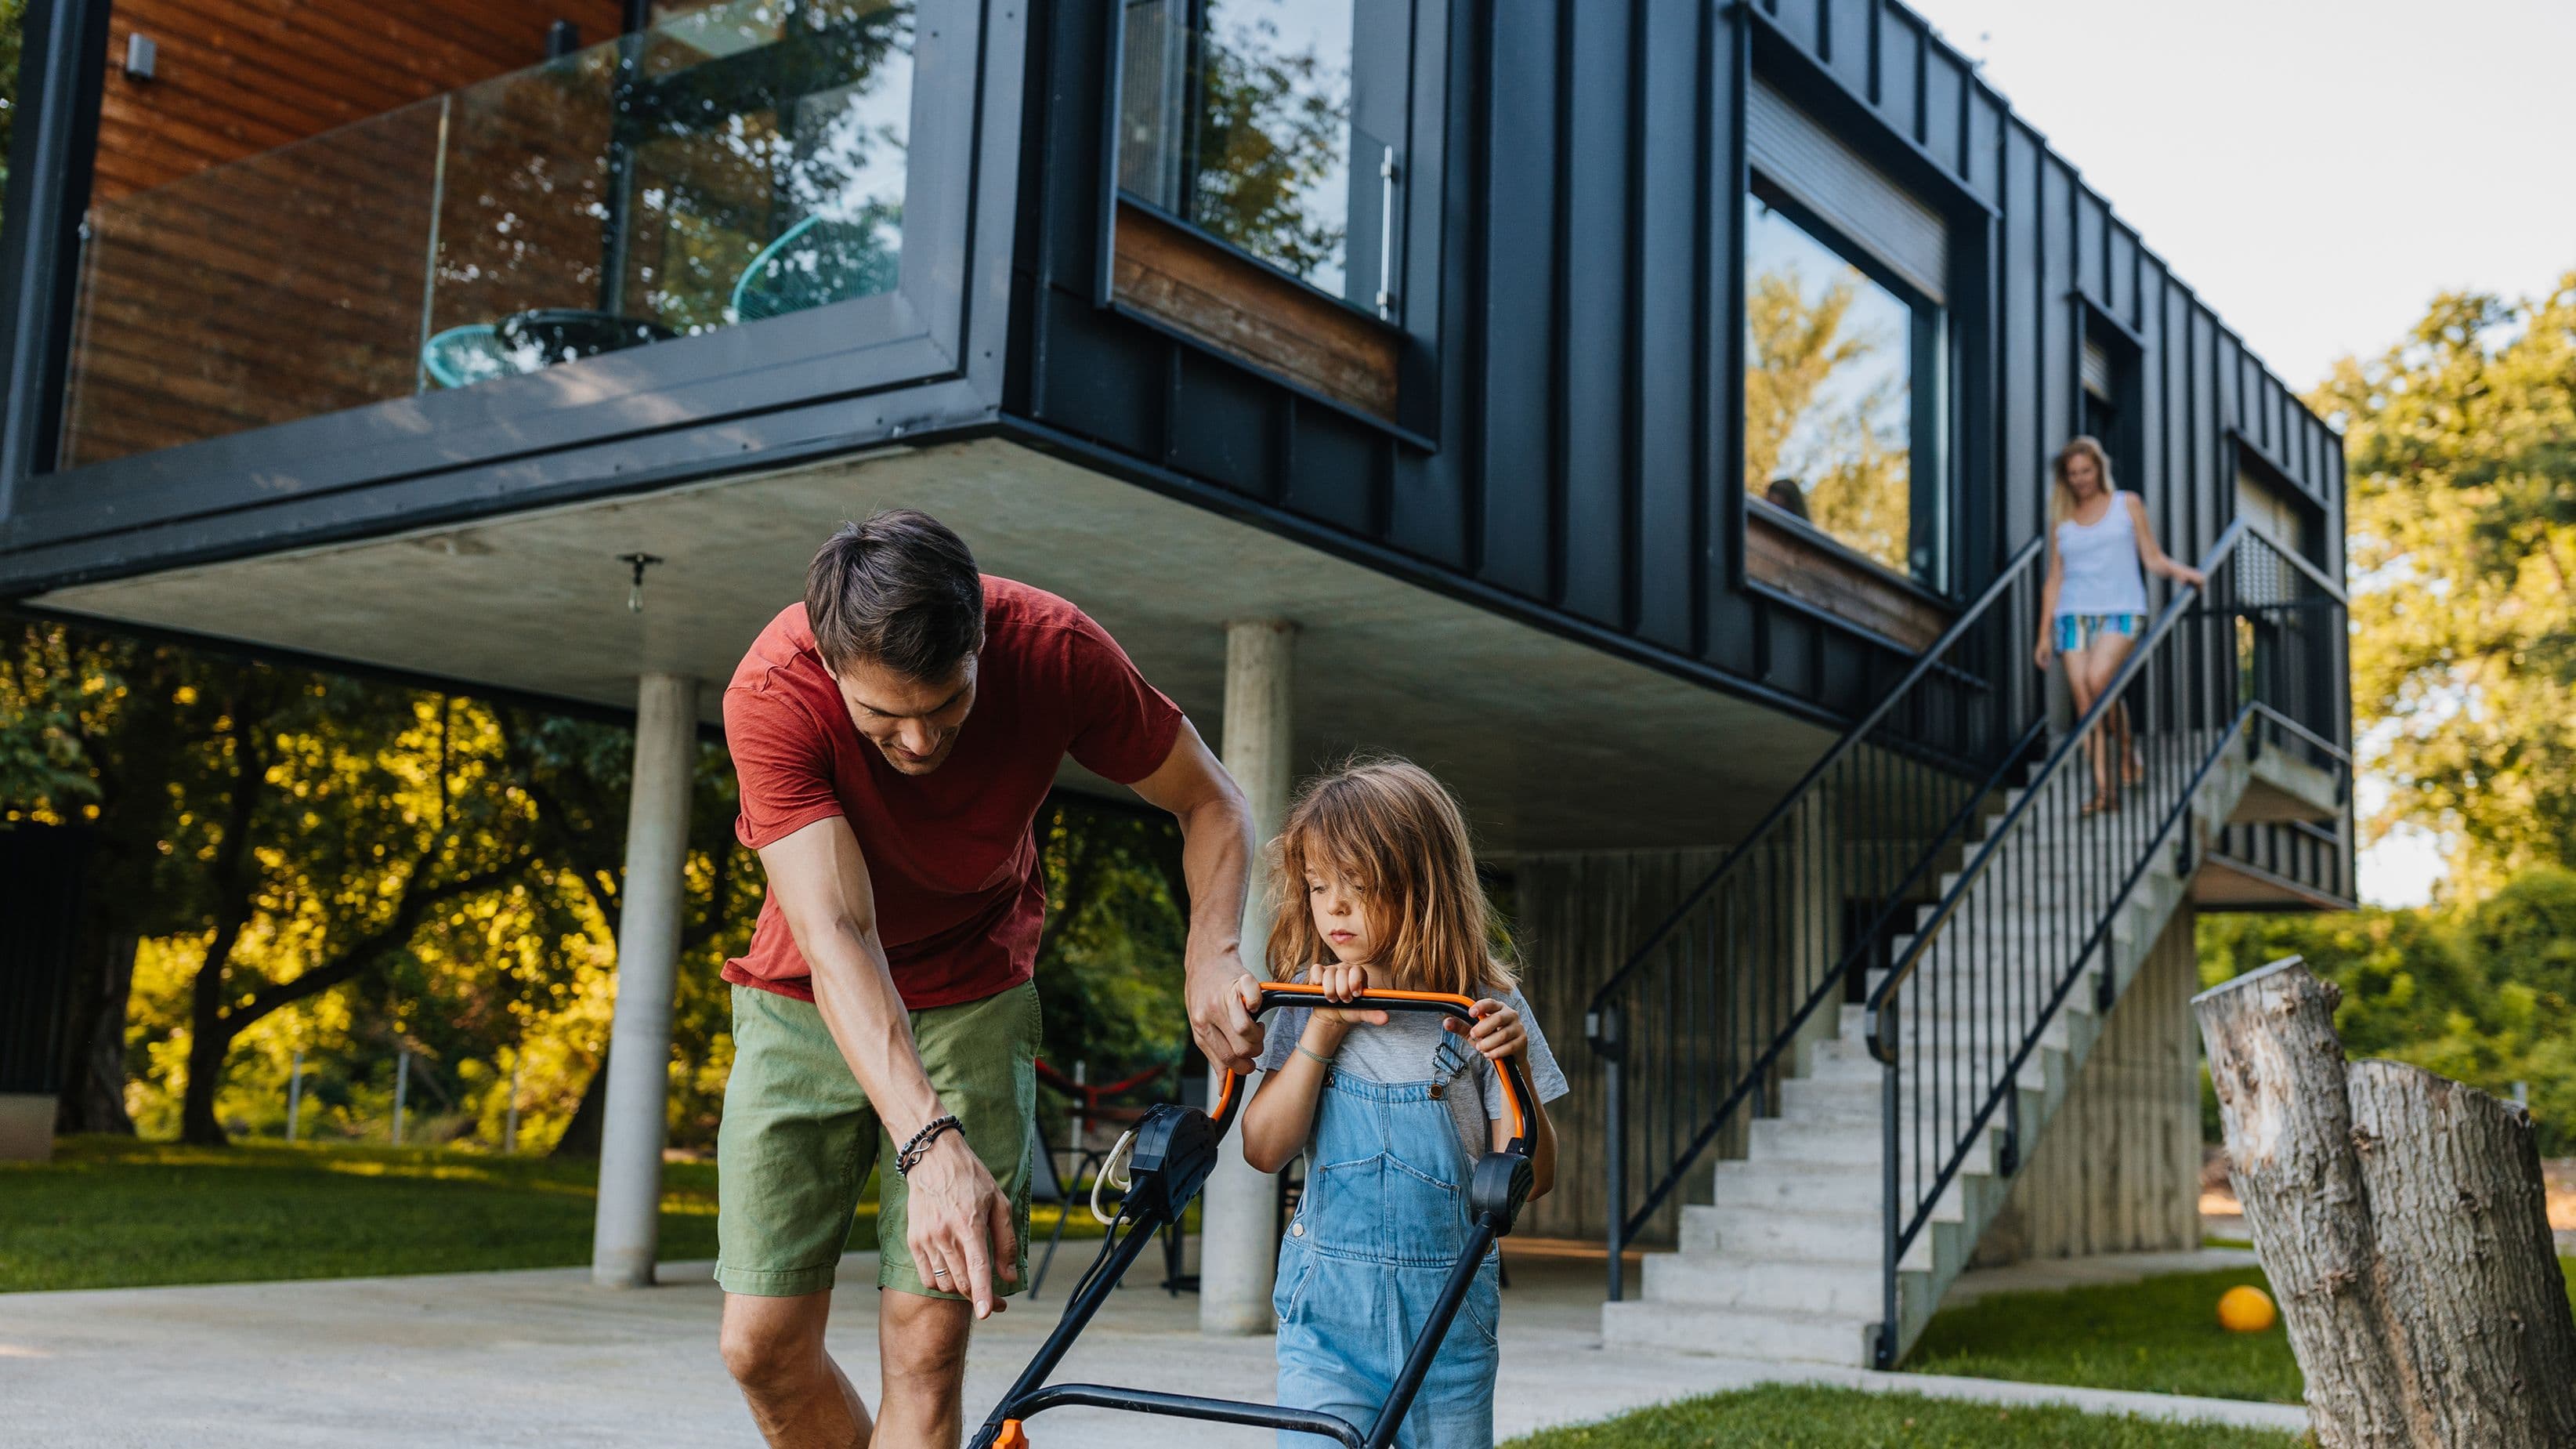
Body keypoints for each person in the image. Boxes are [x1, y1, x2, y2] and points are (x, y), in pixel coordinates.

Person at [715, 510, 1265, 1447]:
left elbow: (1210, 798)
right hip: (809, 997)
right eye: (886, 718)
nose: (923, 743)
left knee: (926, 1350)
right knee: (760, 1346)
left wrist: (1210, 952)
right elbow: (839, 929)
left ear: (980, 643)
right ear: (832, 663)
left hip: (974, 992)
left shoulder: (1054, 650)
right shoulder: (774, 689)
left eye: (948, 706)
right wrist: (929, 1144)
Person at [1239, 758, 1568, 1449]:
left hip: (1447, 1327)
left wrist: (1514, 1070)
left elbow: (1534, 1177)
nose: (1333, 907)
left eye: (1357, 885)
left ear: (1423, 886)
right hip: (1326, 1326)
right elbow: (1263, 1147)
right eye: (1319, 885)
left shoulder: (1488, 1008)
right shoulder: (1304, 999)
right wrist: (1322, 1032)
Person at [2032, 437, 2203, 814]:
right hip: (2072, 613)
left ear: (2099, 469)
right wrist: (2043, 634)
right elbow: (2054, 580)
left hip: (2121, 609)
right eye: (2073, 474)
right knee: (2084, 701)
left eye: (2086, 471)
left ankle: (2126, 747)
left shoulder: (2127, 505)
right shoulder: (2062, 519)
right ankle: (2105, 791)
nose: (2080, 480)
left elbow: (2152, 557)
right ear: (2066, 477)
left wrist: (2182, 573)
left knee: (2099, 681)